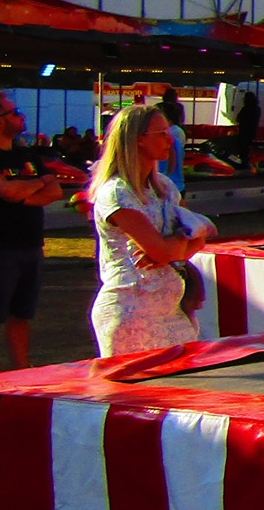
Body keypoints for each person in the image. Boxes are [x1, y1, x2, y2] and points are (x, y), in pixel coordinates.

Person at [89, 104, 216, 358]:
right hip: (130, 312)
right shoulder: (116, 193)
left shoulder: (166, 188)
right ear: (138, 141)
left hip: (171, 311)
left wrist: (175, 247)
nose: (170, 138)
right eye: (161, 133)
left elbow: (206, 232)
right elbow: (163, 249)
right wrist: (181, 240)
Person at [0, 92, 63, 374]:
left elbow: (54, 191)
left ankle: (22, 370)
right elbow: (5, 190)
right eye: (14, 113)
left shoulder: (25, 153)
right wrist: (32, 186)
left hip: (30, 245)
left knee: (22, 314)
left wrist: (23, 192)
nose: (21, 116)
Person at [234, 88, 261, 170]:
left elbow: (238, 118)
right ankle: (247, 164)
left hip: (243, 132)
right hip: (252, 132)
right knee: (248, 149)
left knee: (242, 150)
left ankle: (242, 165)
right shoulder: (257, 109)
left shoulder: (246, 108)